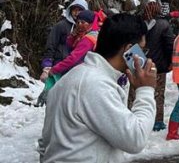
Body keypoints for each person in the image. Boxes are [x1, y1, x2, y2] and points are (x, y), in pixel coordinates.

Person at [37, 13, 156, 162]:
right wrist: (145, 90)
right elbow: (135, 138)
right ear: (129, 50)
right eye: (142, 51)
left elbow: (45, 144)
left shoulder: (73, 77)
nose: (144, 58)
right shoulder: (96, 85)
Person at [138, 0, 174, 132]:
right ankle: (157, 121)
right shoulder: (164, 24)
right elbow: (170, 44)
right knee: (158, 94)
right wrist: (171, 61)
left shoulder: (139, 23)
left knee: (138, 91)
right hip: (157, 65)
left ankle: (137, 117)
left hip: (140, 64)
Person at [40, 0, 88, 84]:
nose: (77, 13)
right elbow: (51, 44)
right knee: (49, 94)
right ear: (70, 10)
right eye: (74, 10)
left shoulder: (86, 30)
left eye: (80, 10)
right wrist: (47, 67)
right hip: (57, 66)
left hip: (75, 70)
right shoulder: (61, 26)